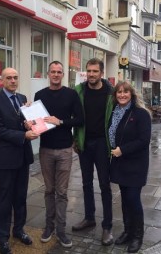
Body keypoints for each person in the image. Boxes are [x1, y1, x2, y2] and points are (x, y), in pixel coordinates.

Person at [0, 67, 39, 254]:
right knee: (5, 199)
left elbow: (23, 122)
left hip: (22, 157)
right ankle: (2, 237)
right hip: (6, 157)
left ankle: (19, 230)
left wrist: (29, 122)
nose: (13, 81)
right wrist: (23, 134)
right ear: (2, 81)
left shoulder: (22, 98)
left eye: (15, 77)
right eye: (9, 78)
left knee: (21, 197)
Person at [34, 61, 84, 248]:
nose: (56, 75)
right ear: (48, 74)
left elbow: (80, 120)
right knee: (48, 190)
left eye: (59, 72)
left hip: (64, 149)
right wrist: (28, 114)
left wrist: (60, 121)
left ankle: (61, 230)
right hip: (45, 149)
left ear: (63, 74)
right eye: (53, 72)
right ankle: (49, 227)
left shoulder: (71, 94)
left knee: (61, 192)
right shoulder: (40, 95)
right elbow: (36, 120)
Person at [72, 57, 114, 246]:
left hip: (103, 144)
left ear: (101, 73)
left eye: (95, 71)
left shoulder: (110, 93)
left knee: (105, 185)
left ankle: (107, 226)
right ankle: (89, 217)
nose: (91, 74)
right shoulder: (79, 91)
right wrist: (75, 138)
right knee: (86, 183)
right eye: (88, 71)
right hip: (85, 143)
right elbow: (74, 115)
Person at [109, 81, 151, 253]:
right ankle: (128, 231)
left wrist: (122, 150)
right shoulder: (114, 112)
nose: (122, 95)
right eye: (119, 92)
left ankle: (137, 236)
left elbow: (144, 140)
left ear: (131, 94)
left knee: (133, 200)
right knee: (125, 200)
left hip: (135, 164)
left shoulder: (141, 114)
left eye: (125, 92)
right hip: (120, 163)